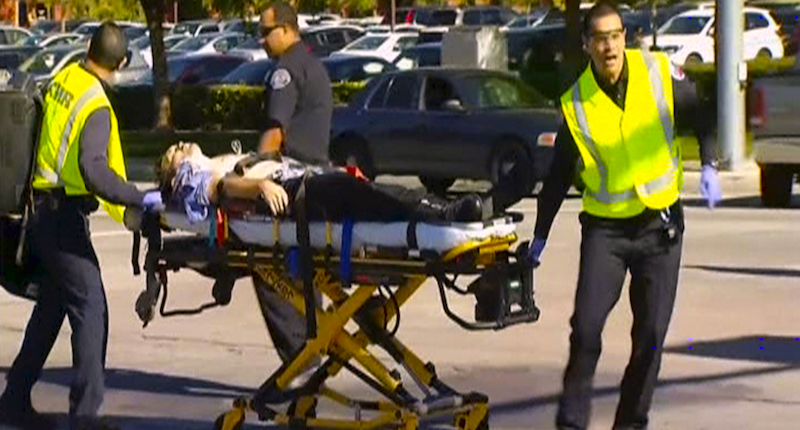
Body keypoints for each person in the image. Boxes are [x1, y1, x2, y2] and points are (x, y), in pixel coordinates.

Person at [528, 3, 721, 430]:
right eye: (599, 37)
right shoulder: (578, 102)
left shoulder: (658, 74)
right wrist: (539, 236)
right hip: (607, 231)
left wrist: (709, 164)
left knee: (650, 337)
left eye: (615, 35)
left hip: (660, 227)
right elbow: (559, 174)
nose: (609, 44)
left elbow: (700, 113)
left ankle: (630, 423)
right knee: (586, 329)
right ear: (587, 45)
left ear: (625, 38)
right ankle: (572, 422)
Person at [0, 22, 164, 430]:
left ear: (88, 49)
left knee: (53, 306)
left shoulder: (64, 79)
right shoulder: (96, 106)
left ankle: (14, 402)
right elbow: (94, 171)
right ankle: (86, 418)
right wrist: (140, 198)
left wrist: (121, 212)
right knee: (91, 308)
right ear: (122, 63)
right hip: (62, 219)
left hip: (38, 212)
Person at [156, 142, 487, 224]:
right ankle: (442, 215)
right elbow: (220, 190)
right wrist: (258, 187)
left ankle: (450, 207)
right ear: (175, 173)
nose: (180, 145)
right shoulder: (190, 179)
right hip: (286, 193)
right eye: (173, 152)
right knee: (365, 195)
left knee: (373, 191)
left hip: (297, 181)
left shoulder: (204, 164)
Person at [259, 0, 333, 165]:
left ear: (285, 29)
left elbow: (275, 132)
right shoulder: (313, 64)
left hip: (291, 171)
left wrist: (253, 175)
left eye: (266, 32)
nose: (261, 40)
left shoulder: (285, 70)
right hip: (317, 170)